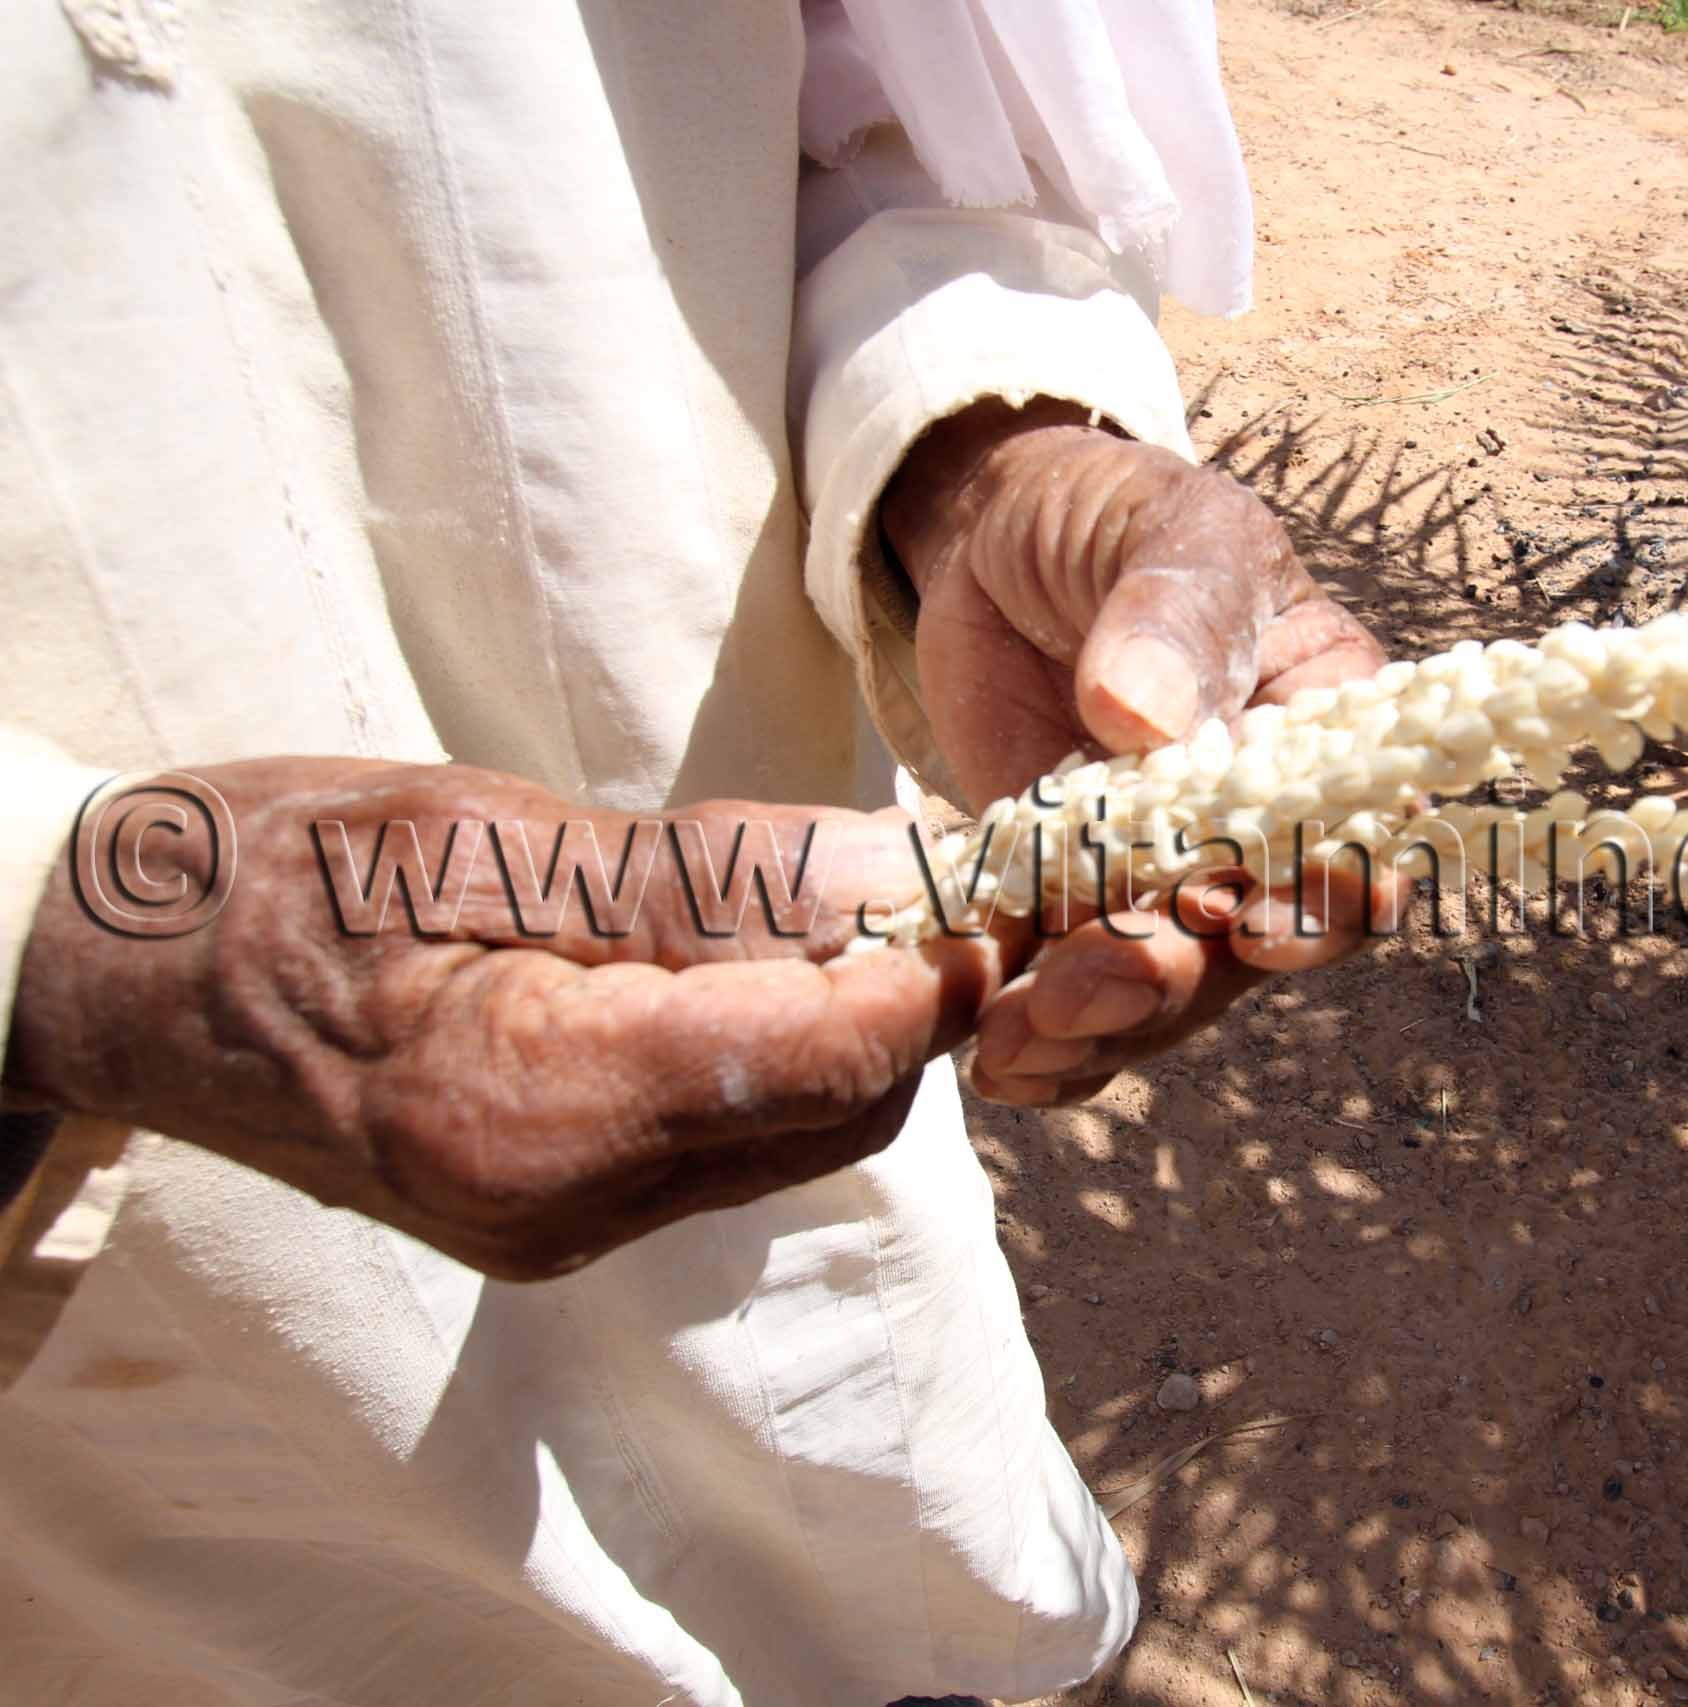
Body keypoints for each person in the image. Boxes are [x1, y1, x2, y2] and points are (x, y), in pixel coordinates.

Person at [0, 2, 1390, 1701]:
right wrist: (74, 948)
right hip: (151, 1388)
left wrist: (973, 458)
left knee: (867, 1573)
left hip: (763, 905)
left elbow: (869, 113)